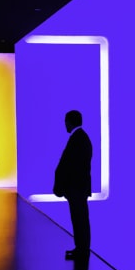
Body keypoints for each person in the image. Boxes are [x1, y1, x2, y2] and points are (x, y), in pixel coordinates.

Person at [53, 110, 92, 259]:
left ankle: (82, 250)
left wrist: (63, 185)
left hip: (76, 188)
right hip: (78, 188)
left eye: (66, 121)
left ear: (70, 121)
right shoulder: (81, 138)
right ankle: (81, 249)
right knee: (80, 219)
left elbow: (69, 165)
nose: (65, 125)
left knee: (79, 219)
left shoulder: (77, 139)